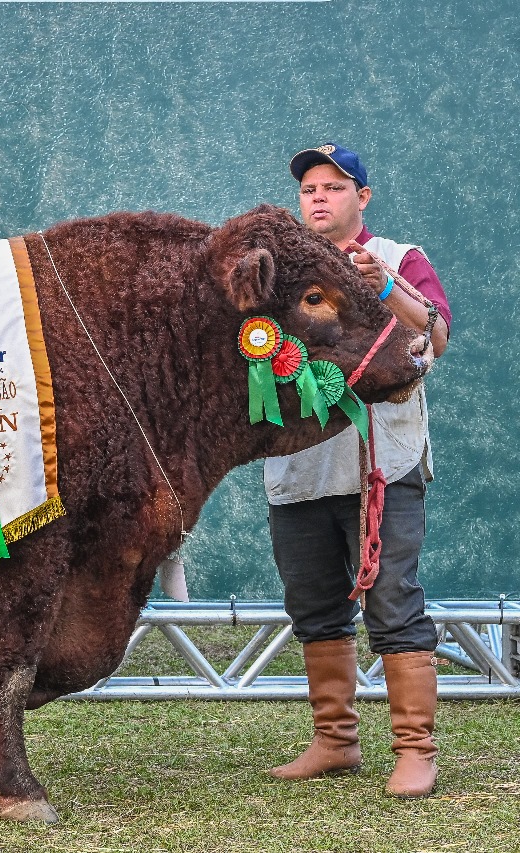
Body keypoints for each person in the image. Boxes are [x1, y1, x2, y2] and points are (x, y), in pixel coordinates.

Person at [264, 143, 451, 798]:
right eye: (309, 187)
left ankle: (415, 749)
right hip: (298, 465)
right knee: (313, 606)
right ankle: (336, 740)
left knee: (393, 601)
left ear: (361, 198)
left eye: (334, 186)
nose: (317, 196)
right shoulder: (277, 272)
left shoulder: (401, 259)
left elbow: (437, 334)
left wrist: (384, 286)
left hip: (383, 463)